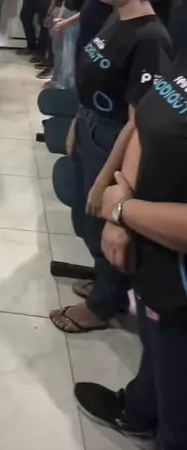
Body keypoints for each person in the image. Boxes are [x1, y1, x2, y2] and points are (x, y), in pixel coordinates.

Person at [50, 0, 173, 333]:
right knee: (84, 219)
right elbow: (94, 81)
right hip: (90, 125)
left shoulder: (150, 38)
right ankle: (104, 281)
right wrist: (76, 123)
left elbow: (138, 123)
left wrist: (108, 177)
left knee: (104, 222)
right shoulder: (115, 16)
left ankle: (104, 304)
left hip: (113, 140)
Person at [75, 48, 187, 449]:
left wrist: (123, 209)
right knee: (157, 350)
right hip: (157, 261)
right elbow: (145, 118)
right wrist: (123, 202)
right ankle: (139, 410)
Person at [51, 0, 93, 90]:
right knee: (60, 53)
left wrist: (67, 21)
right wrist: (60, 15)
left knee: (70, 57)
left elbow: (89, 7)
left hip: (77, 18)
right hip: (66, 14)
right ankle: (59, 84)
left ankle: (69, 90)